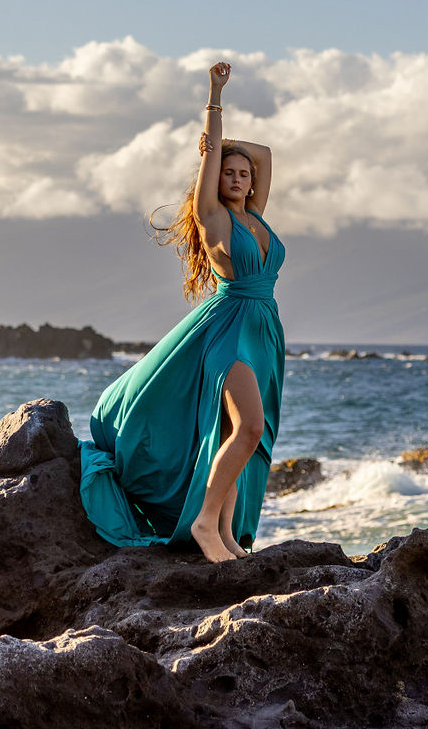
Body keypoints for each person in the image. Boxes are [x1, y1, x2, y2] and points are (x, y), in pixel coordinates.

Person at [79, 60, 285, 563]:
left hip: (265, 330)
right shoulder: (211, 215)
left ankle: (230, 534)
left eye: (244, 175)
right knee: (249, 428)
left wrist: (232, 148)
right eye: (229, 173)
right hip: (229, 329)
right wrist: (215, 102)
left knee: (235, 433)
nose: (238, 177)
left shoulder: (255, 216)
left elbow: (265, 154)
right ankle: (204, 524)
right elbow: (220, 157)